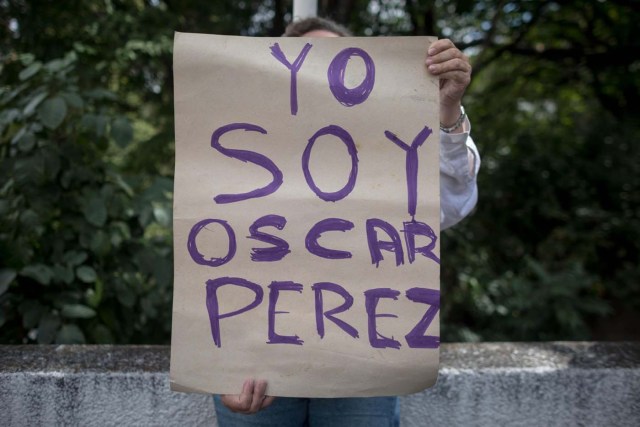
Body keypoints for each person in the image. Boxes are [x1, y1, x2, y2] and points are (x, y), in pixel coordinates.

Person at [213, 16, 480, 427]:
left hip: (363, 356)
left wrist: (446, 110)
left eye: (337, 60)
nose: (325, 73)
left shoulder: (396, 134)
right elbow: (208, 247)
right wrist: (216, 360)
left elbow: (448, 206)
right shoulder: (239, 143)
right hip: (255, 358)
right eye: (312, 61)